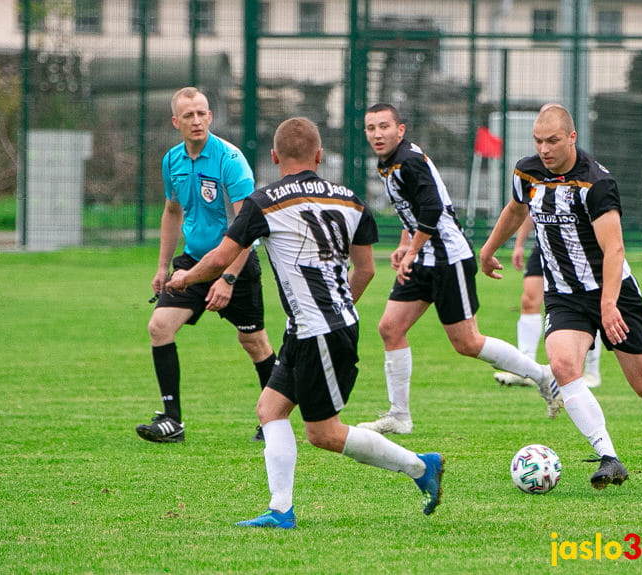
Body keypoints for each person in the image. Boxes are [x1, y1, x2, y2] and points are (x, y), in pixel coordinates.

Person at [165, 117, 444, 528]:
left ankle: (421, 467)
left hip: (321, 332)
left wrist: (185, 278)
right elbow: (365, 271)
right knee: (270, 408)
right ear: (319, 156)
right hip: (313, 327)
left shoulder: (264, 201)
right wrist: (339, 308)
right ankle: (281, 511)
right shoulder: (349, 199)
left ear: (275, 156)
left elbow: (223, 257)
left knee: (324, 434)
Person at [479, 103, 642, 489]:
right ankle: (609, 456)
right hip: (565, 296)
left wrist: (607, 306)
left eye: (552, 140)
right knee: (563, 364)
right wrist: (488, 250)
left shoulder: (596, 182)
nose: (544, 149)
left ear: (572, 137)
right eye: (538, 141)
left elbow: (615, 249)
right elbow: (516, 210)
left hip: (613, 292)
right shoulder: (527, 171)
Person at [358, 103, 562, 436]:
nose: (378, 134)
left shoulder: (409, 161)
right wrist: (404, 243)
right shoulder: (390, 163)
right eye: (371, 128)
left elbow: (433, 207)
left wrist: (412, 249)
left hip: (448, 259)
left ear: (401, 130)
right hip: (423, 256)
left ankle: (543, 376)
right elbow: (413, 209)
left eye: (384, 126)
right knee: (390, 328)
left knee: (467, 342)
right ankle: (399, 416)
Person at [135, 87, 275, 444]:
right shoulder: (172, 161)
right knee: (159, 326)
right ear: (175, 122)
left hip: (235, 263)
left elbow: (248, 226)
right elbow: (171, 211)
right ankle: (172, 420)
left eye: (202, 113)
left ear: (210, 117)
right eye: (188, 116)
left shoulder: (230, 159)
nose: (196, 121)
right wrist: (163, 266)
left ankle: (275, 419)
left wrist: (227, 278)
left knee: (254, 342)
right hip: (193, 261)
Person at [493, 218, 602, 388]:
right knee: (529, 300)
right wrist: (519, 244)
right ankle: (525, 369)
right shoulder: (537, 190)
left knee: (587, 305)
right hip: (547, 245)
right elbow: (525, 208)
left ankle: (591, 372)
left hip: (578, 246)